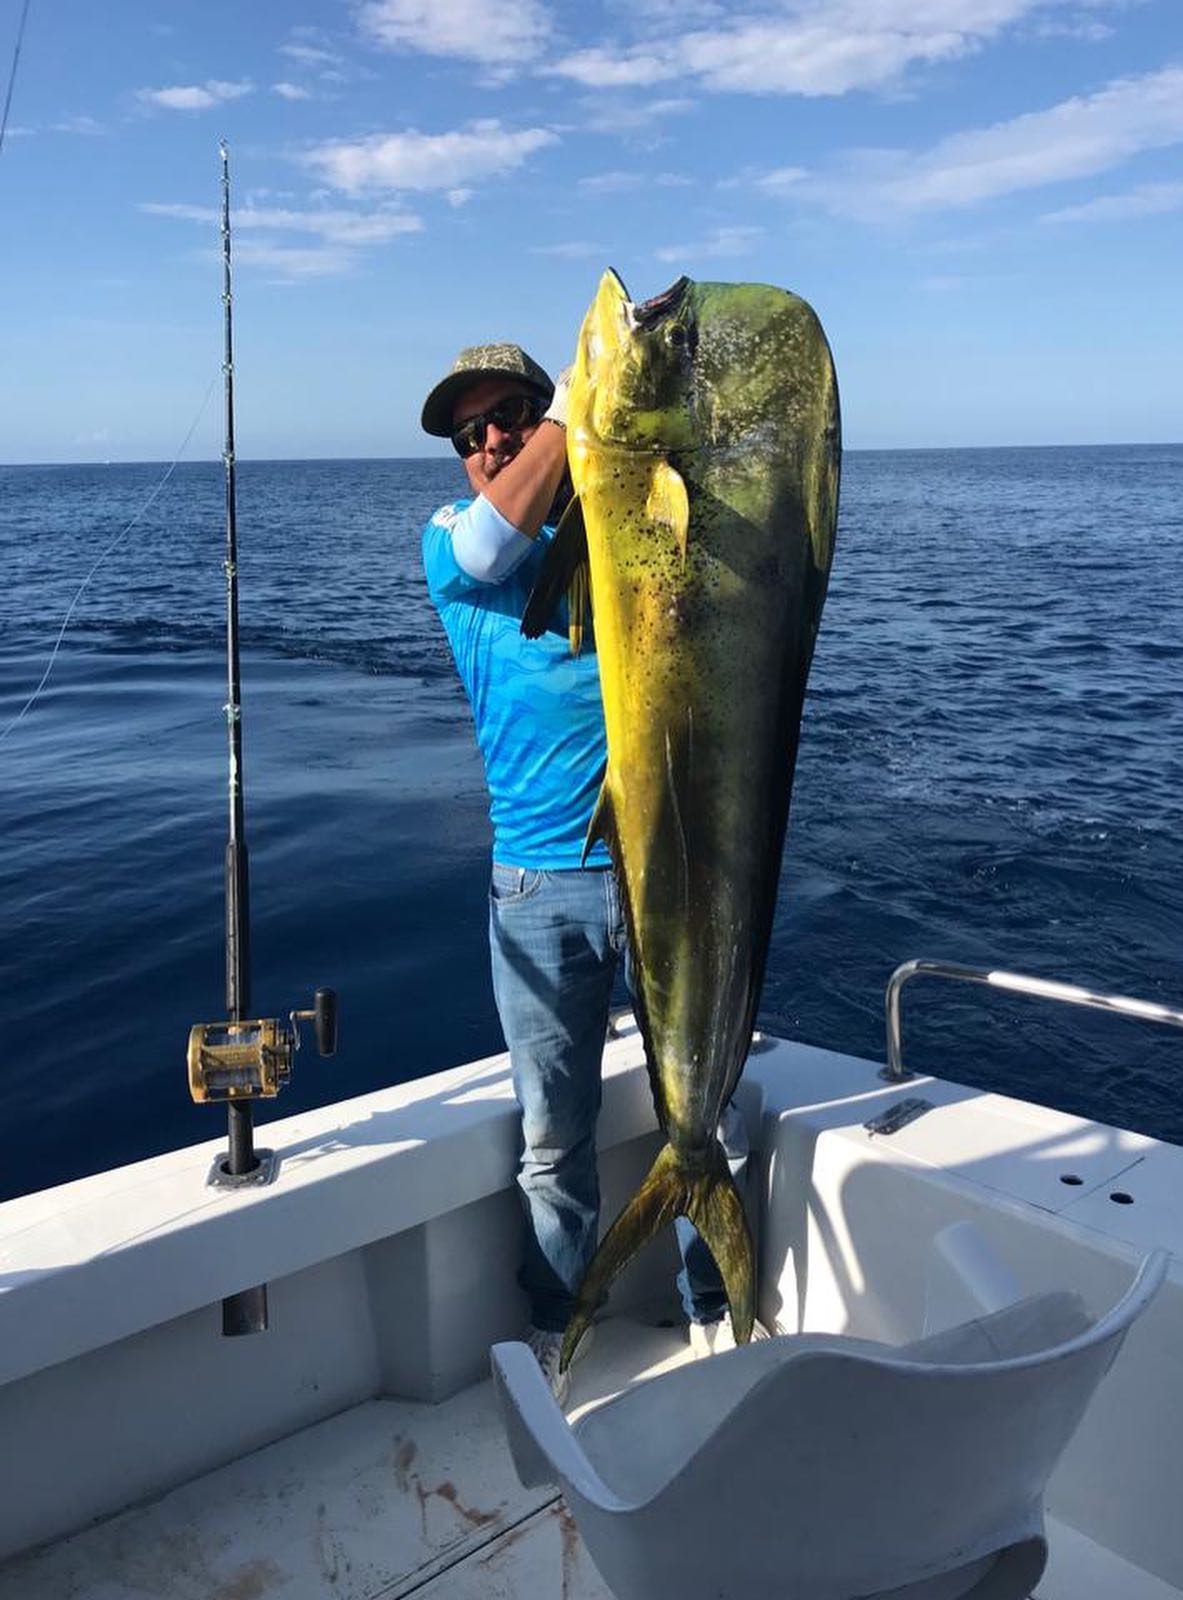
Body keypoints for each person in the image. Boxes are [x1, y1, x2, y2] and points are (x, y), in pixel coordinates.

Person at [419, 343, 743, 1400]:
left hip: (662, 873)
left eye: (509, 414)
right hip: (535, 890)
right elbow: (483, 543)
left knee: (699, 1110)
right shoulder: (449, 547)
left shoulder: (610, 527)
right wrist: (576, 406)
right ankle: (562, 1322)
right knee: (553, 1142)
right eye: (473, 433)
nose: (494, 441)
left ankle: (712, 1310)